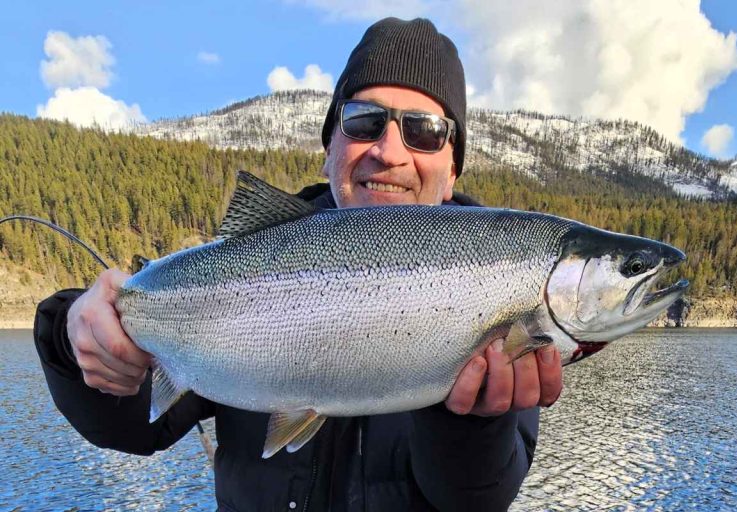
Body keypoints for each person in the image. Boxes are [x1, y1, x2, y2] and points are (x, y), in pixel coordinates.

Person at [34, 17, 563, 511]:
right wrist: (72, 334)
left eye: (424, 132)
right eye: (364, 121)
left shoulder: (500, 280)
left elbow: (473, 500)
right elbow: (131, 428)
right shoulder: (252, 261)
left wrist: (474, 422)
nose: (389, 151)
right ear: (330, 148)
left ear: (452, 170)